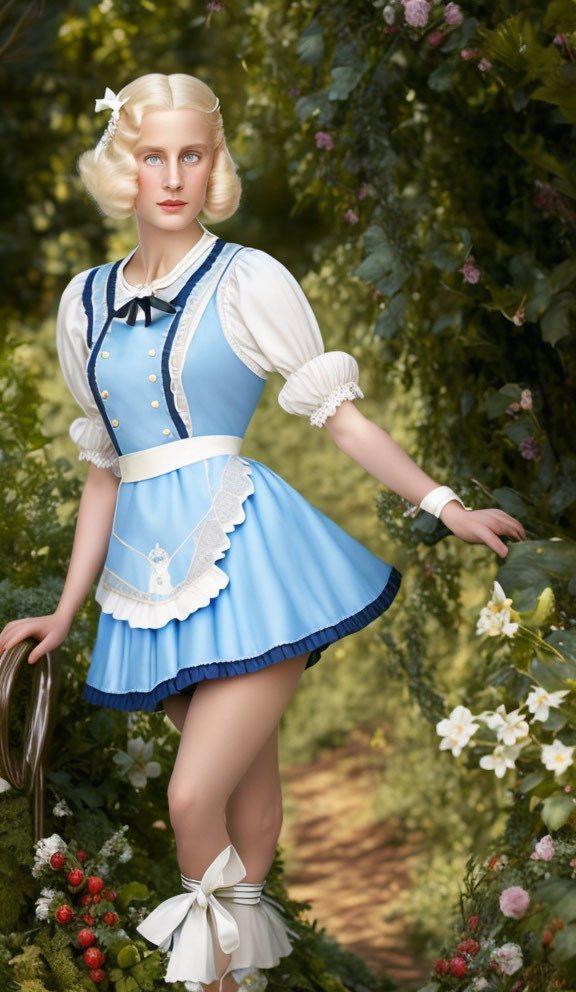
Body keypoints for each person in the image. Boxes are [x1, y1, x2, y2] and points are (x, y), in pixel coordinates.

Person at [0, 73, 527, 992]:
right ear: (126, 168)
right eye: (152, 156)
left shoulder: (249, 279)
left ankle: (214, 980)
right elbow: (104, 471)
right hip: (146, 581)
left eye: (191, 155)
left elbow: (342, 418)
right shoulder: (83, 303)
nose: (172, 176)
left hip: (249, 557)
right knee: (245, 788)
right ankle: (251, 972)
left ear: (214, 166)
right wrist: (64, 609)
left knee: (190, 795)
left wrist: (446, 504)